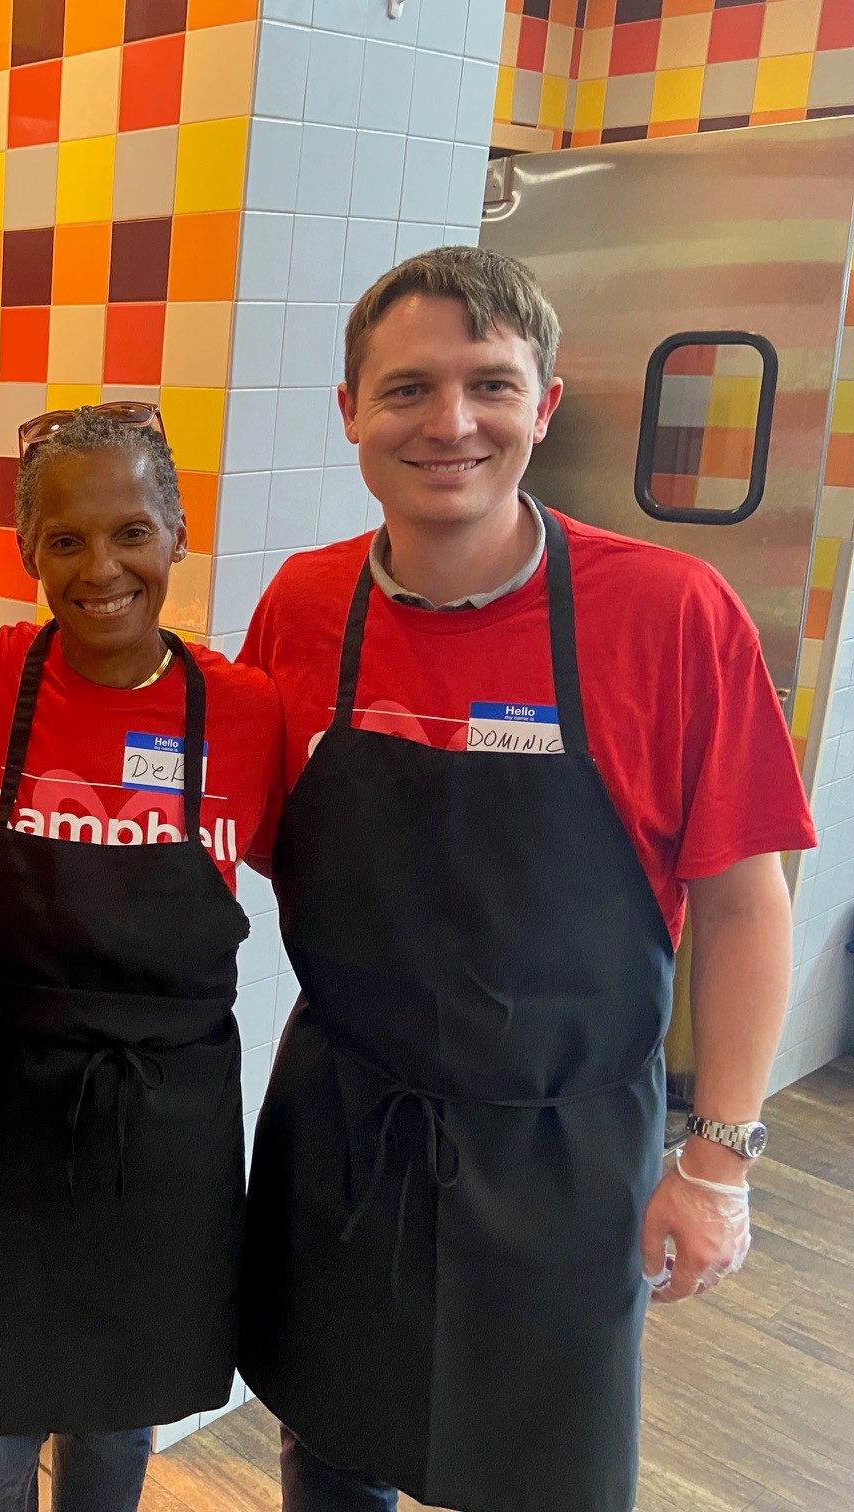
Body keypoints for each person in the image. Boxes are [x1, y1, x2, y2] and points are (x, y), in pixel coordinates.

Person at [237, 247, 814, 1512]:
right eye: (406, 390)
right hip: (347, 1128)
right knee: (331, 1452)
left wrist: (718, 1163)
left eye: (491, 386)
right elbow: (260, 839)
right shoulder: (303, 604)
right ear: (349, 413)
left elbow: (744, 904)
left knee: (542, 1478)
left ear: (545, 404)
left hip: (565, 1156)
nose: (450, 424)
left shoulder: (671, 612)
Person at [0, 405, 282, 1512]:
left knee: (120, 1416)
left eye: (131, 532)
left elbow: (327, 882)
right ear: (27, 553)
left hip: (164, 1136)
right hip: (3, 1125)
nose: (101, 568)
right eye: (65, 541)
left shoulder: (249, 711)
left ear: (177, 534)